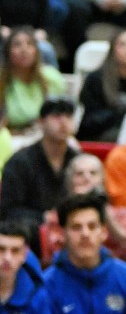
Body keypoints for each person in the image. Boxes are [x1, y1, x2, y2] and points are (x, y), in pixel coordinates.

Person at [0, 97, 77, 230]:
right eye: (56, 116)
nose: (63, 122)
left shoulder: (79, 161)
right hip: (29, 233)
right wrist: (43, 217)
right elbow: (8, 210)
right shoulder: (20, 162)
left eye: (68, 116)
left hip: (72, 228)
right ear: (41, 121)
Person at [78, 29, 126, 142]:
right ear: (112, 49)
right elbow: (89, 121)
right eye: (122, 45)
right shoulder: (95, 79)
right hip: (99, 135)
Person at [0, 28, 66, 133]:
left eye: (29, 44)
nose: (24, 50)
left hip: (47, 136)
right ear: (8, 53)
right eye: (17, 45)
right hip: (12, 137)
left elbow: (63, 115)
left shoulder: (51, 77)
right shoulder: (2, 81)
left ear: (36, 51)